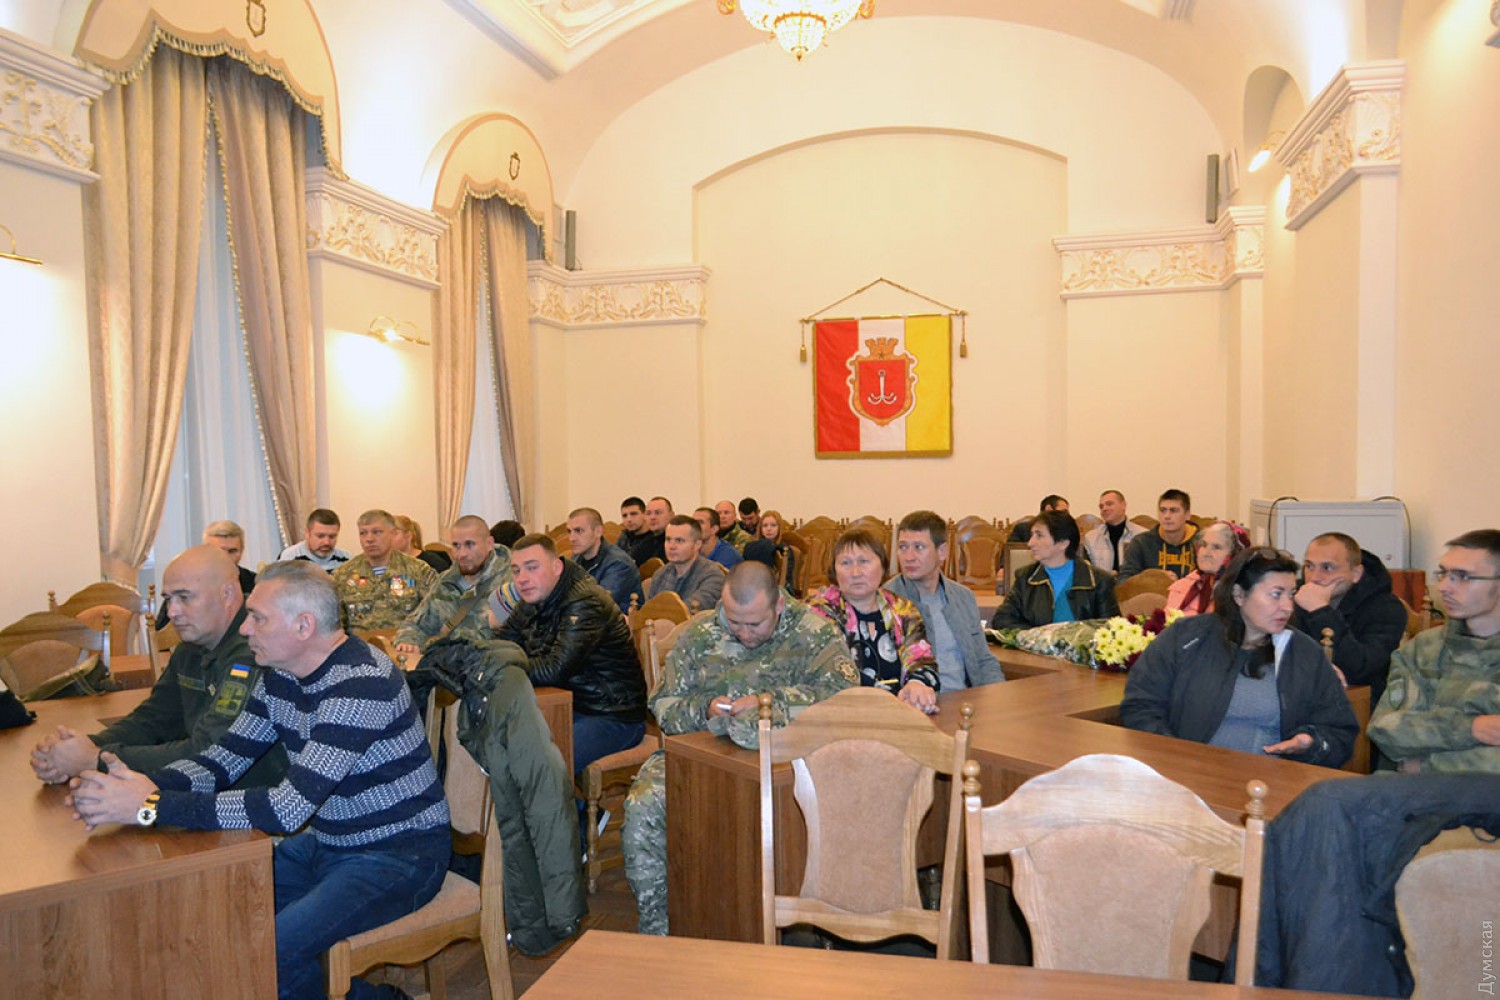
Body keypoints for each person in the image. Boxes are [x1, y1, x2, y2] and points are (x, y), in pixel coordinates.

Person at [66, 562, 450, 1000]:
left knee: (270, 950)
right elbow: (223, 760)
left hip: (399, 855)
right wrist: (135, 786)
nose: (245, 628)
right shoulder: (280, 675)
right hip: (329, 844)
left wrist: (152, 805)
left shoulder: (361, 684)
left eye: (257, 618)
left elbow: (286, 810)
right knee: (217, 915)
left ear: (303, 626)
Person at [622, 562, 859, 935]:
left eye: (755, 624)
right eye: (734, 622)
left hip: (789, 761)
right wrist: (704, 708)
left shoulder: (813, 633)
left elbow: (844, 698)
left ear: (778, 606)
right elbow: (663, 706)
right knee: (643, 805)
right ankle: (660, 930)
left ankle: (811, 920)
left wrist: (769, 705)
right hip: (703, 756)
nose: (745, 634)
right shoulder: (700, 634)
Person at [31, 545, 286, 789]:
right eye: (168, 599)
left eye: (184, 597)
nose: (172, 612)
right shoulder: (191, 647)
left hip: (249, 806)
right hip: (202, 793)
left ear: (227, 594)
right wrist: (80, 748)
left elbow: (209, 752)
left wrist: (97, 759)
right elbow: (153, 720)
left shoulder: (254, 653)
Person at [1120, 547, 1358, 768]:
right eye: (1276, 594)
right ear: (1239, 594)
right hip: (1189, 774)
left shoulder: (1304, 653)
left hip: (1273, 781)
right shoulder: (1185, 639)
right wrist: (1176, 757)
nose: (1287, 606)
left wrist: (1311, 743)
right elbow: (1141, 706)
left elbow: (1340, 733)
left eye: (1291, 594)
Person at [497, 533, 648, 774]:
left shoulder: (584, 601)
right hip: (568, 705)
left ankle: (569, 801)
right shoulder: (535, 596)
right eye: (516, 571)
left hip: (612, 716)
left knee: (542, 763)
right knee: (502, 742)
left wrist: (502, 666)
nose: (522, 578)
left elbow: (553, 669)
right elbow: (502, 643)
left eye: (532, 567)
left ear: (556, 567)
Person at [1367, 529, 1500, 773]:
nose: (1444, 587)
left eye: (1463, 576)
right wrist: (1472, 728)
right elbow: (1386, 729)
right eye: (1443, 574)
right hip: (1420, 796)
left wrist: (1424, 765)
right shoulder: (1424, 649)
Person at [806, 527, 940, 713]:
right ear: (834, 571)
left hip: (899, 713)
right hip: (839, 715)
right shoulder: (818, 613)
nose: (855, 572)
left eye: (864, 561)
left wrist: (917, 684)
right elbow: (830, 673)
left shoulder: (902, 609)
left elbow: (921, 657)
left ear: (883, 566)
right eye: (845, 563)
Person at [884, 509, 1005, 691]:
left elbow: (983, 660)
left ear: (942, 552)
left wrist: (999, 693)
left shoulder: (963, 597)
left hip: (967, 700)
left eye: (919, 547)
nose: (909, 557)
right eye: (903, 547)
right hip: (914, 702)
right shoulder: (886, 600)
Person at [1291, 532, 1406, 706]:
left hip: (1359, 703)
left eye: (1327, 567)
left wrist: (1320, 611)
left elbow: (1359, 669)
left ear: (1356, 573)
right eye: (1309, 566)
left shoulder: (1386, 609)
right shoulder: (1297, 595)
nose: (1314, 578)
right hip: (1304, 692)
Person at [394, 514, 513, 654]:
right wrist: (408, 641)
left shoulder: (512, 581)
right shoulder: (446, 581)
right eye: (456, 546)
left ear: (489, 544)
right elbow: (416, 623)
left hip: (491, 662)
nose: (462, 554)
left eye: (470, 544)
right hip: (445, 662)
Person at [990, 510, 1119, 628]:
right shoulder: (1025, 578)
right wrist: (1039, 636)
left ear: (1063, 543)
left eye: (1039, 536)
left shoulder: (1099, 581)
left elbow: (1111, 629)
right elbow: (1002, 620)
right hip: (1035, 646)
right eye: (1032, 535)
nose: (1030, 543)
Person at [332, 508, 438, 632]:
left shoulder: (418, 571)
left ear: (392, 534)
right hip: (360, 642)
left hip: (405, 641)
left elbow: (436, 616)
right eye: (363, 533)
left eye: (377, 532)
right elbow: (335, 626)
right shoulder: (343, 575)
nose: (369, 539)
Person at [566, 506, 644, 613]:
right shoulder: (575, 559)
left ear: (598, 531)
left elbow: (597, 604)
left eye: (579, 531)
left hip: (616, 622)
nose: (572, 538)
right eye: (569, 531)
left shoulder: (619, 563)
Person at [1165, 520, 1247, 616]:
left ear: (1233, 555)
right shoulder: (1184, 585)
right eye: (1204, 545)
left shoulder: (1238, 595)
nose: (1206, 553)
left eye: (1216, 547)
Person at [644, 514, 726, 610]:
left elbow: (689, 611)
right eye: (668, 539)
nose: (671, 546)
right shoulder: (660, 574)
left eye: (679, 541)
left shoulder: (713, 575)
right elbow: (647, 612)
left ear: (697, 545)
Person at [1117, 488, 1198, 581]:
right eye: (1163, 510)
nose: (1167, 516)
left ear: (1187, 515)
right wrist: (1155, 578)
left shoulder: (1202, 544)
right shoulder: (1140, 542)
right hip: (1152, 589)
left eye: (1174, 510)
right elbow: (1124, 580)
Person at [1080, 490, 1147, 572]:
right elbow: (1088, 572)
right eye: (1101, 506)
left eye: (1109, 504)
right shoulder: (1091, 538)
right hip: (1102, 580)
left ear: (1124, 505)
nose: (1104, 509)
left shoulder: (1142, 536)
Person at [742, 508, 799, 594]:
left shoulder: (785, 550)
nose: (769, 529)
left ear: (779, 528)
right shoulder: (754, 547)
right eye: (765, 526)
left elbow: (786, 578)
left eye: (773, 525)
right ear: (760, 529)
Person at [277, 508, 351, 572]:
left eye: (332, 537)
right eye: (320, 536)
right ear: (307, 533)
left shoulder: (346, 559)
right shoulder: (289, 559)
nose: (326, 542)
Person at [203, 519, 258, 594]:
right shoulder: (191, 584)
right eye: (220, 551)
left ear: (242, 551)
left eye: (232, 551)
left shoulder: (256, 584)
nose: (226, 558)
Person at [616, 496, 659, 567]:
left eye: (633, 514)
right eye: (624, 516)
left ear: (645, 514)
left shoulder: (655, 539)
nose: (629, 519)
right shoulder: (625, 536)